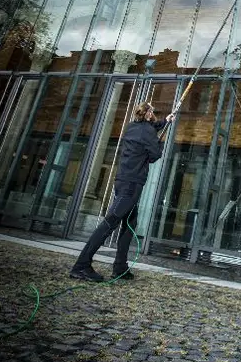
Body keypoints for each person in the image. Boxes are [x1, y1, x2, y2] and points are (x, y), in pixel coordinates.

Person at [69, 102, 175, 282]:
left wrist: (165, 121)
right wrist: (158, 143)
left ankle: (120, 268)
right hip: (132, 185)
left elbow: (149, 131)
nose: (154, 115)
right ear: (149, 114)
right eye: (153, 112)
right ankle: (81, 266)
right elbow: (155, 155)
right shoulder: (148, 131)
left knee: (130, 224)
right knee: (110, 222)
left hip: (122, 181)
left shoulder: (133, 127)